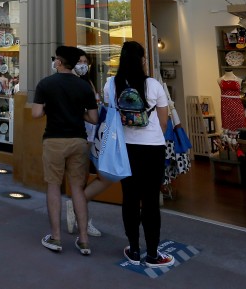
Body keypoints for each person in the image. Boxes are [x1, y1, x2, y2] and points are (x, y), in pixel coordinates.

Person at [107, 40, 173, 268]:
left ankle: (134, 249)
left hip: (126, 149)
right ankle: (153, 253)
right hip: (153, 148)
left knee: (130, 199)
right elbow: (164, 121)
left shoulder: (111, 84)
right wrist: (153, 133)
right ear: (142, 60)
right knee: (151, 200)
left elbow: (112, 116)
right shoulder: (153, 85)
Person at [32, 46, 100, 256]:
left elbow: (36, 113)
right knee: (78, 188)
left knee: (53, 186)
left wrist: (51, 108)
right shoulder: (84, 87)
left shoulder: (46, 84)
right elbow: (94, 118)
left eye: (56, 59)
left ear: (59, 62)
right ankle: (84, 240)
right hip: (78, 140)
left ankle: (56, 237)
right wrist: (75, 113)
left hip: (54, 140)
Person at [64, 53, 106, 239]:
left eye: (85, 62)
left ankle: (76, 207)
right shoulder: (70, 84)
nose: (82, 65)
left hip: (94, 134)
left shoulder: (88, 83)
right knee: (81, 178)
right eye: (79, 62)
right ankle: (83, 219)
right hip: (80, 135)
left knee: (100, 176)